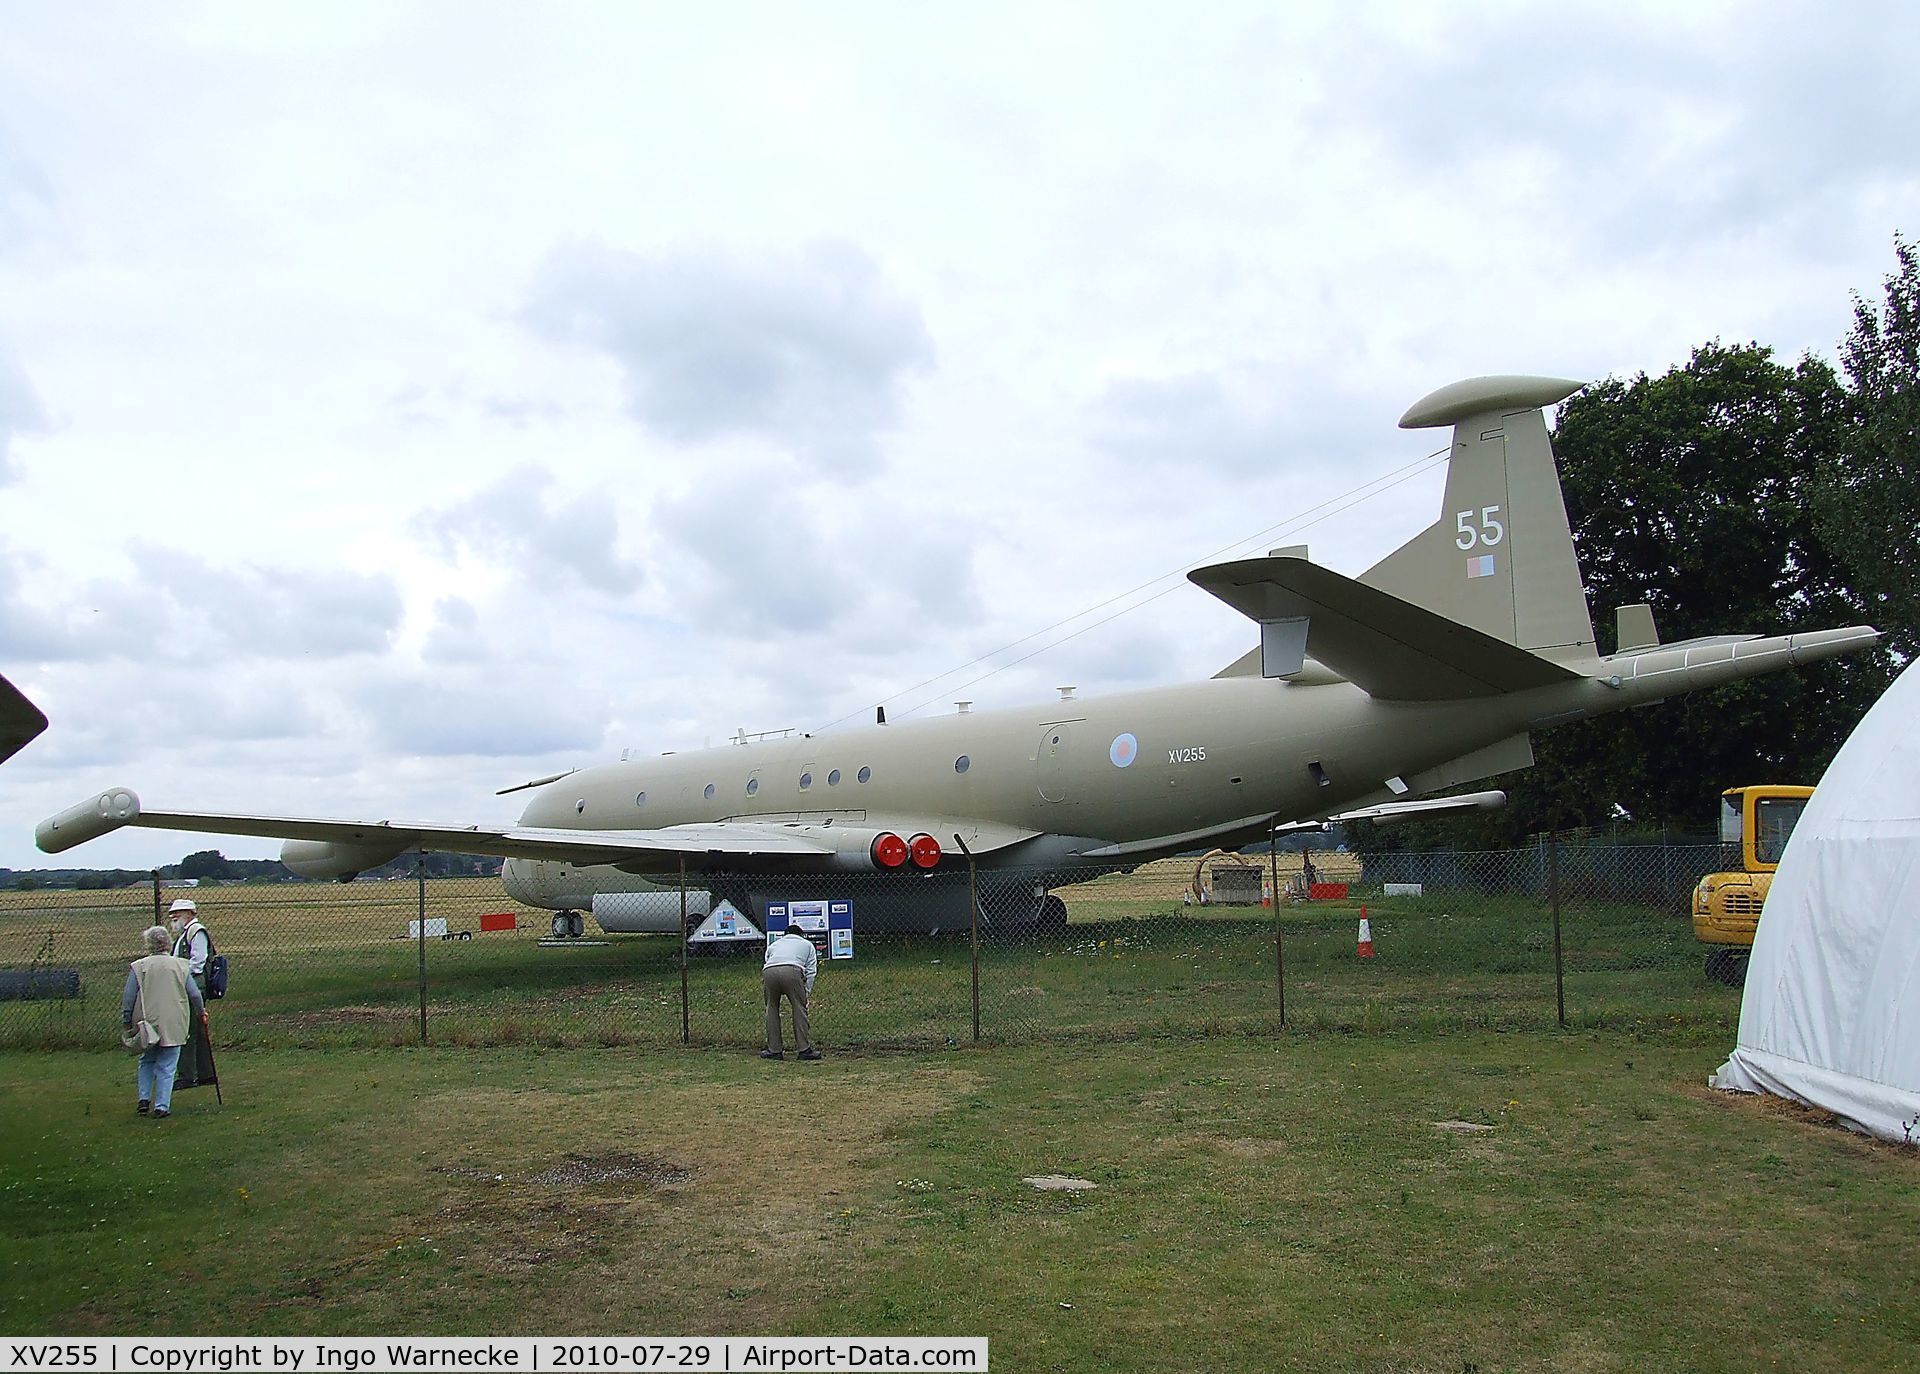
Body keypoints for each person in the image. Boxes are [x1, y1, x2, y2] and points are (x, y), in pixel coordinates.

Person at [123, 925, 203, 1119]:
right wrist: (201, 1011)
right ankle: (162, 1105)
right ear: (167, 943)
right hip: (174, 1020)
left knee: (147, 1060)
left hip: (146, 1020)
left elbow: (129, 995)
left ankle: (143, 1099)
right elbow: (194, 993)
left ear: (148, 944)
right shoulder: (181, 965)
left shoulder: (139, 966)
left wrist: (126, 1018)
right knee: (167, 1064)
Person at [167, 898, 216, 1089]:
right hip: (188, 983)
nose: (173, 917)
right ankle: (205, 1074)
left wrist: (178, 973)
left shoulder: (196, 932)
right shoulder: (187, 933)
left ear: (189, 913)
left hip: (192, 985)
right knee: (197, 1030)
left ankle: (187, 1075)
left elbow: (198, 962)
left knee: (187, 1030)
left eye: (177, 914)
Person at [761, 922, 821, 1061]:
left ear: (785, 935)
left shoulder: (774, 945)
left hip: (769, 971)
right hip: (793, 970)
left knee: (771, 1007)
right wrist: (806, 993)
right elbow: (811, 971)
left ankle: (774, 1050)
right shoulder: (807, 945)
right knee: (798, 1008)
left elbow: (768, 960)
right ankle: (804, 1049)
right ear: (801, 935)